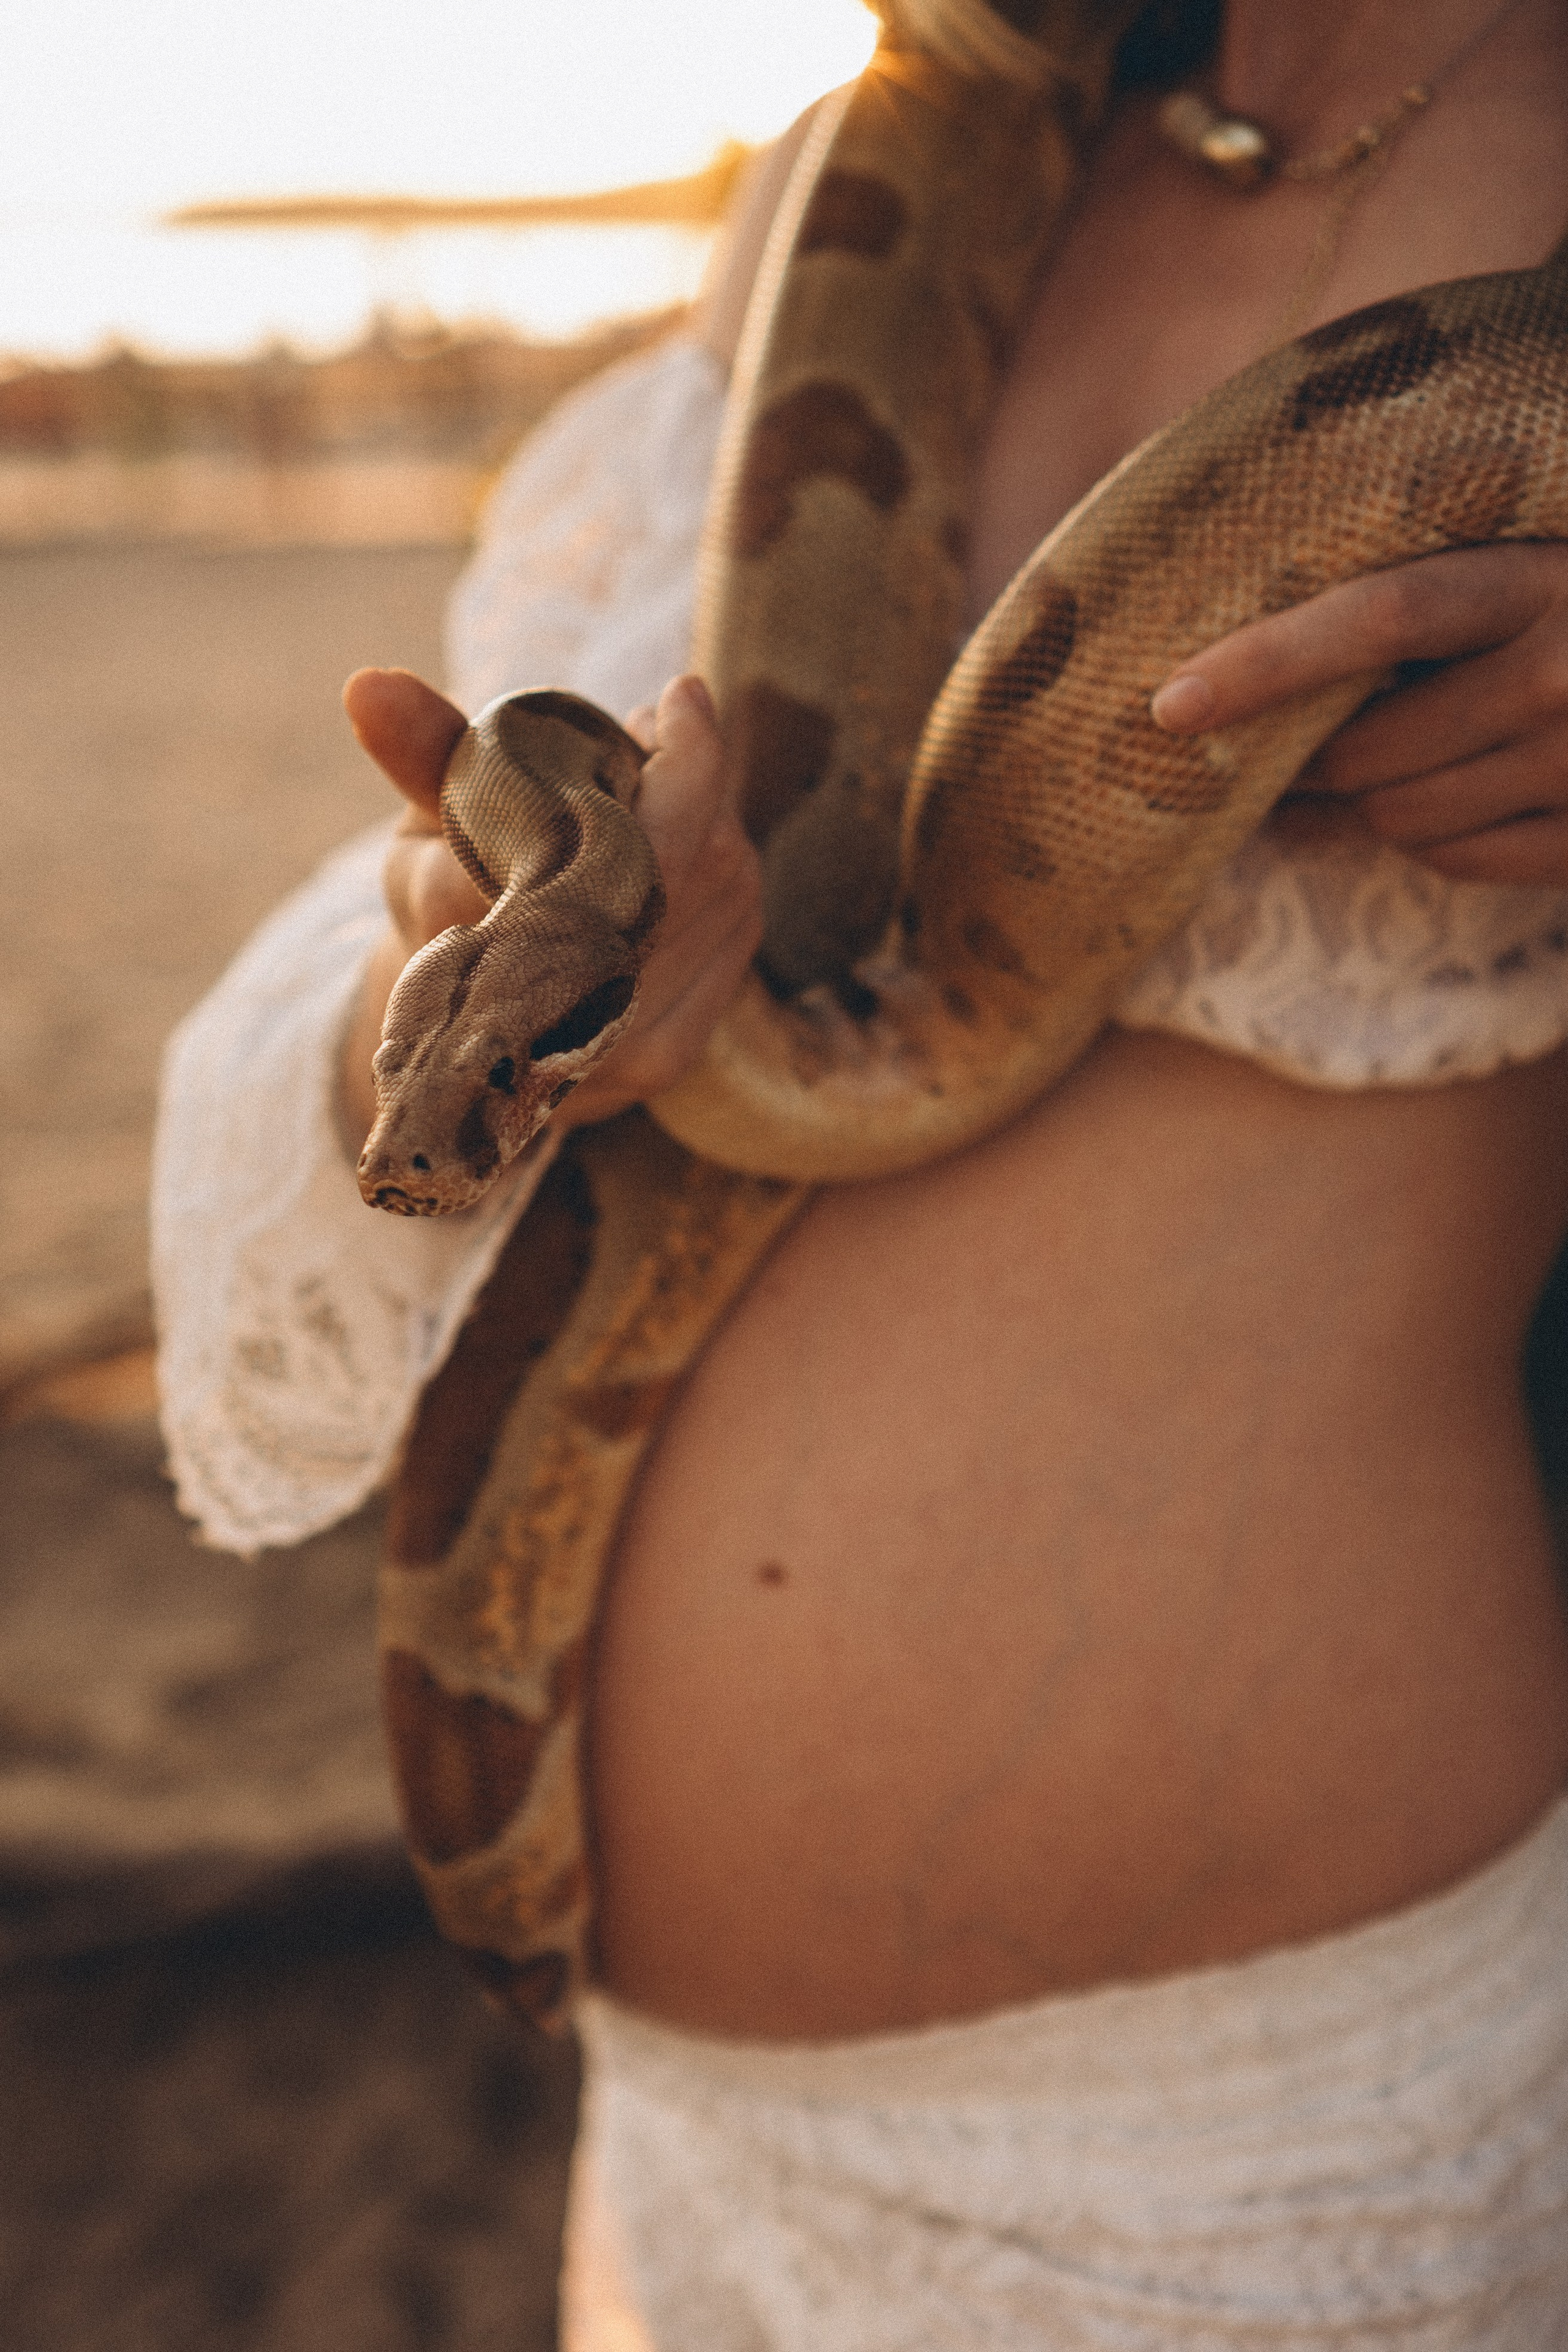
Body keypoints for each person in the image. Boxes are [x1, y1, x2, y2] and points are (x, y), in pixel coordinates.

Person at [154, 0, 1568, 2340]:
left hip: (1278, 2147)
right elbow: (526, 865)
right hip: (695, 2154)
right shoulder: (876, 156)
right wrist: (476, 924)